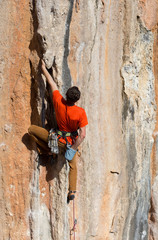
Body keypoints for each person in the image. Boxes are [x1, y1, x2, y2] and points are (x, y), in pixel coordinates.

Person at [28, 60, 88, 202]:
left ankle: (46, 150)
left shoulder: (59, 101)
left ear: (66, 95)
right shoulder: (80, 112)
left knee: (31, 130)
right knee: (73, 166)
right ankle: (71, 191)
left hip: (56, 140)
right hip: (70, 143)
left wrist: (43, 68)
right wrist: (73, 149)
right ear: (77, 100)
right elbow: (83, 135)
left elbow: (52, 84)